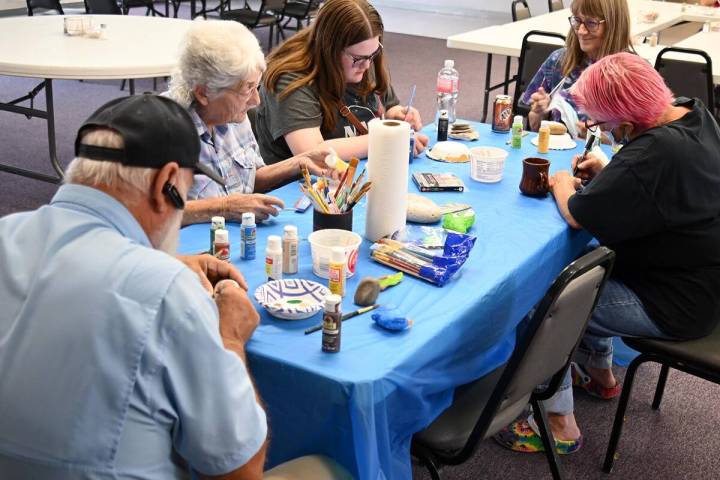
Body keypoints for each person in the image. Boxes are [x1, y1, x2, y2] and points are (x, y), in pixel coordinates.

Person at [0, 94, 270, 479]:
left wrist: (166, 264)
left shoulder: (6, 233)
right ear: (165, 184)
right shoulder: (168, 292)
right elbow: (239, 470)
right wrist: (231, 339)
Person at [497, 52, 720, 454]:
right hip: (701, 281)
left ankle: (557, 421)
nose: (595, 129)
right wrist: (613, 177)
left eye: (601, 124)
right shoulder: (693, 113)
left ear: (629, 124)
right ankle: (600, 374)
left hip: (675, 303)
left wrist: (562, 180)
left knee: (542, 301)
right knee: (593, 260)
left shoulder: (650, 156)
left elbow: (577, 214)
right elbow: (656, 184)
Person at [167, 20, 334, 225]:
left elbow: (249, 179)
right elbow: (149, 214)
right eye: (247, 89)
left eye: (256, 87)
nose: (256, 101)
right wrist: (224, 207)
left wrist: (298, 162)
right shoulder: (163, 131)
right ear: (204, 92)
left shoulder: (232, 114)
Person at [256, 0, 429, 165]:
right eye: (358, 58)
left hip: (360, 173)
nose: (367, 65)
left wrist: (396, 115)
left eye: (373, 54)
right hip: (302, 188)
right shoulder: (290, 79)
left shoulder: (364, 57)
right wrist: (387, 138)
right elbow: (313, 153)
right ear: (329, 49)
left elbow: (388, 105)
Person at [520, 0, 633, 133]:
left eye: (591, 23)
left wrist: (600, 138)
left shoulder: (631, 73)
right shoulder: (559, 61)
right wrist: (539, 112)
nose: (581, 31)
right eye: (577, 20)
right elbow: (534, 126)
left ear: (614, 25)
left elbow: (642, 141)